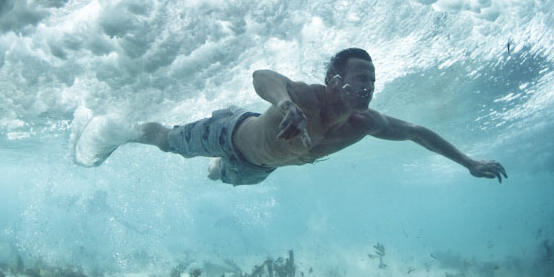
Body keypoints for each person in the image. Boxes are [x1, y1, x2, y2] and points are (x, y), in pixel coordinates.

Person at [74, 48, 507, 186]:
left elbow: (416, 132)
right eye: (359, 79)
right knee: (168, 142)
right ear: (334, 80)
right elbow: (264, 77)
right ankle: (123, 132)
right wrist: (285, 105)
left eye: (372, 81)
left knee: (214, 178)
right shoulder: (307, 97)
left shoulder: (367, 123)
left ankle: (217, 165)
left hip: (259, 169)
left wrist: (469, 162)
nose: (368, 88)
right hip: (231, 135)